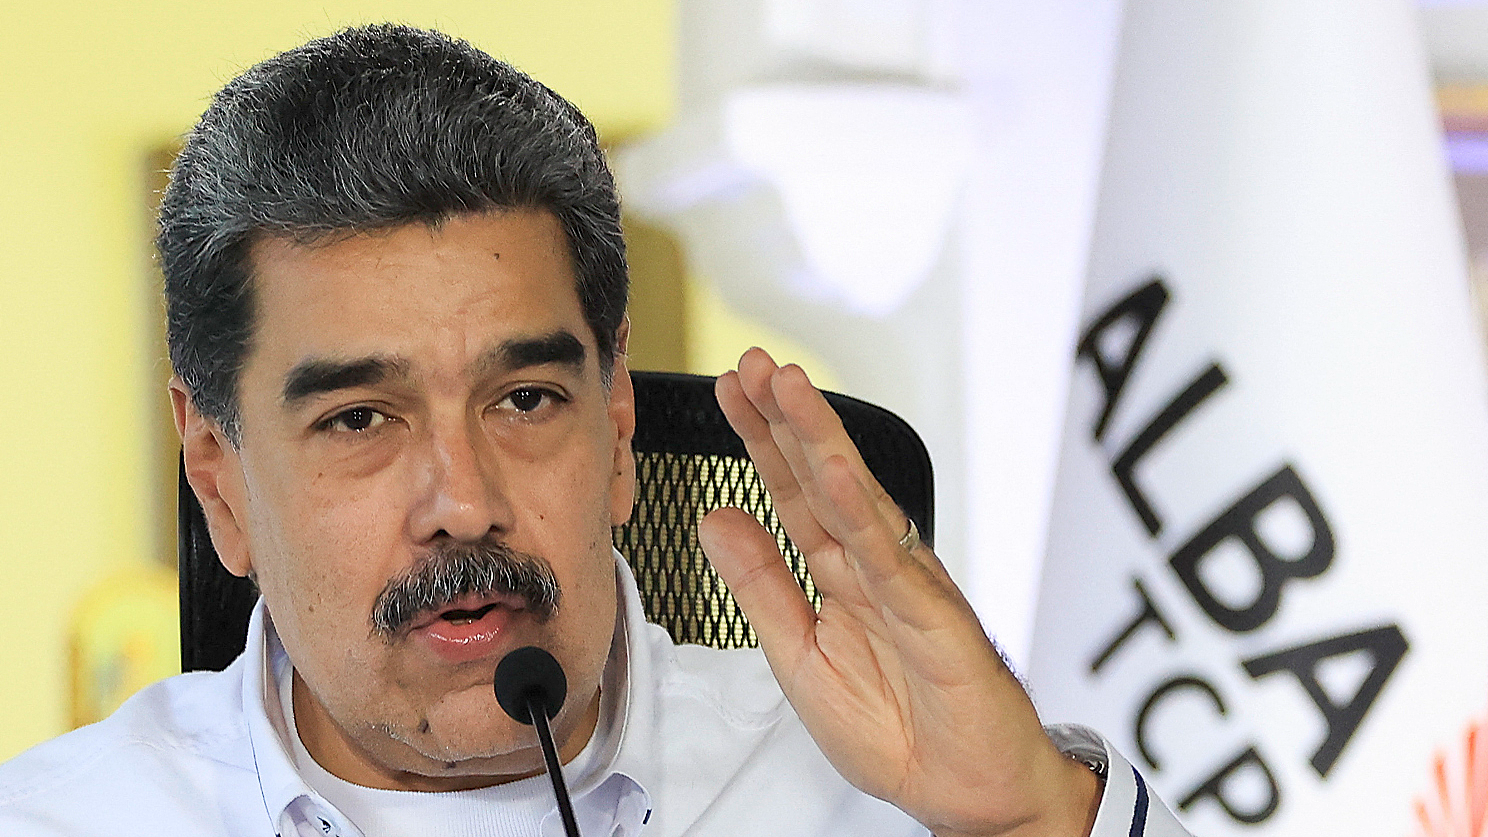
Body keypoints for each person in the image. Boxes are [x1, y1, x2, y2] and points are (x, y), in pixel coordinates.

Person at [0, 25, 1191, 837]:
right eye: (361, 418)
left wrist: (1033, 819)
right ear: (217, 477)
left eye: (525, 400)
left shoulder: (872, 791)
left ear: (618, 426)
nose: (463, 499)